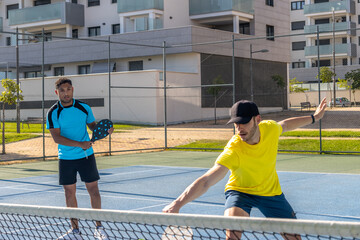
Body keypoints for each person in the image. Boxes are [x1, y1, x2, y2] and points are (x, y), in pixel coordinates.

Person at [163, 98, 327, 240]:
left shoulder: (269, 129)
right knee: (233, 234)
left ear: (257, 119)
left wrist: (315, 117)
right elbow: (206, 181)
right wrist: (178, 203)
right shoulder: (234, 150)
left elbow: (286, 124)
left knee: (294, 237)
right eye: (236, 123)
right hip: (241, 193)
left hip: (270, 193)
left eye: (244, 122)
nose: (239, 128)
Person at [47, 77, 114, 240]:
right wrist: (79, 144)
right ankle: (75, 231)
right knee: (69, 194)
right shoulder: (53, 113)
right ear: (57, 92)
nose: (66, 93)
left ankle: (99, 228)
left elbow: (92, 125)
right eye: (62, 90)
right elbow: (57, 138)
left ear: (73, 90)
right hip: (66, 158)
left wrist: (104, 130)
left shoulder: (84, 108)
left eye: (68, 89)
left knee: (94, 192)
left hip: (86, 157)